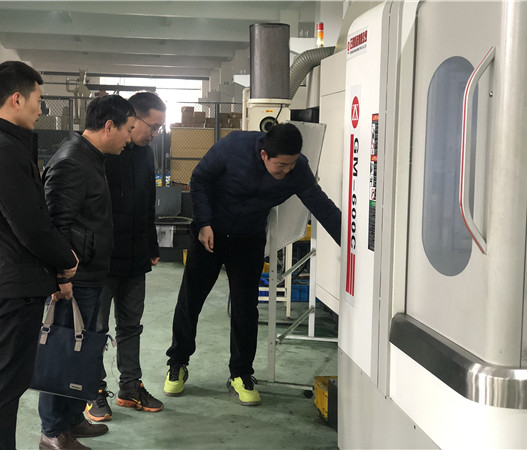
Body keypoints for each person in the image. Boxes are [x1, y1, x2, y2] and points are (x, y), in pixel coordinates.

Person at [163, 122, 341, 406]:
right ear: (264, 155)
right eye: (281, 165)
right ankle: (178, 363)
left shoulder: (297, 169)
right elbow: (200, 179)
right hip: (210, 234)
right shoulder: (233, 147)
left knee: (246, 308)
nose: (287, 171)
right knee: (191, 300)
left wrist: (354, 246)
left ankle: (241, 373)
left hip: (249, 239)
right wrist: (204, 223)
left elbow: (321, 205)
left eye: (292, 164)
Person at [0, 60, 79, 450]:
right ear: (17, 99)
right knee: (5, 383)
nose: (40, 109)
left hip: (13, 279)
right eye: (38, 100)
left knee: (9, 380)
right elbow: (30, 225)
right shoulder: (2, 151)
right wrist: (66, 259)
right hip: (12, 285)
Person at [38, 95, 136, 450]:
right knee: (63, 351)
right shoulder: (72, 162)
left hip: (90, 274)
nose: (129, 138)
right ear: (109, 126)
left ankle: (71, 419)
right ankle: (52, 432)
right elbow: (55, 225)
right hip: (75, 280)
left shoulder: (90, 157)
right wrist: (61, 277)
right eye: (127, 129)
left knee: (80, 352)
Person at [86, 92, 166, 421]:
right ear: (133, 118)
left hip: (135, 257)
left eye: (160, 128)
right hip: (102, 260)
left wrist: (152, 245)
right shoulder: (100, 153)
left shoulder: (145, 153)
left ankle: (130, 388)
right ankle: (93, 390)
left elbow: (148, 201)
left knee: (131, 326)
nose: (155, 134)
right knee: (96, 328)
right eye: (153, 126)